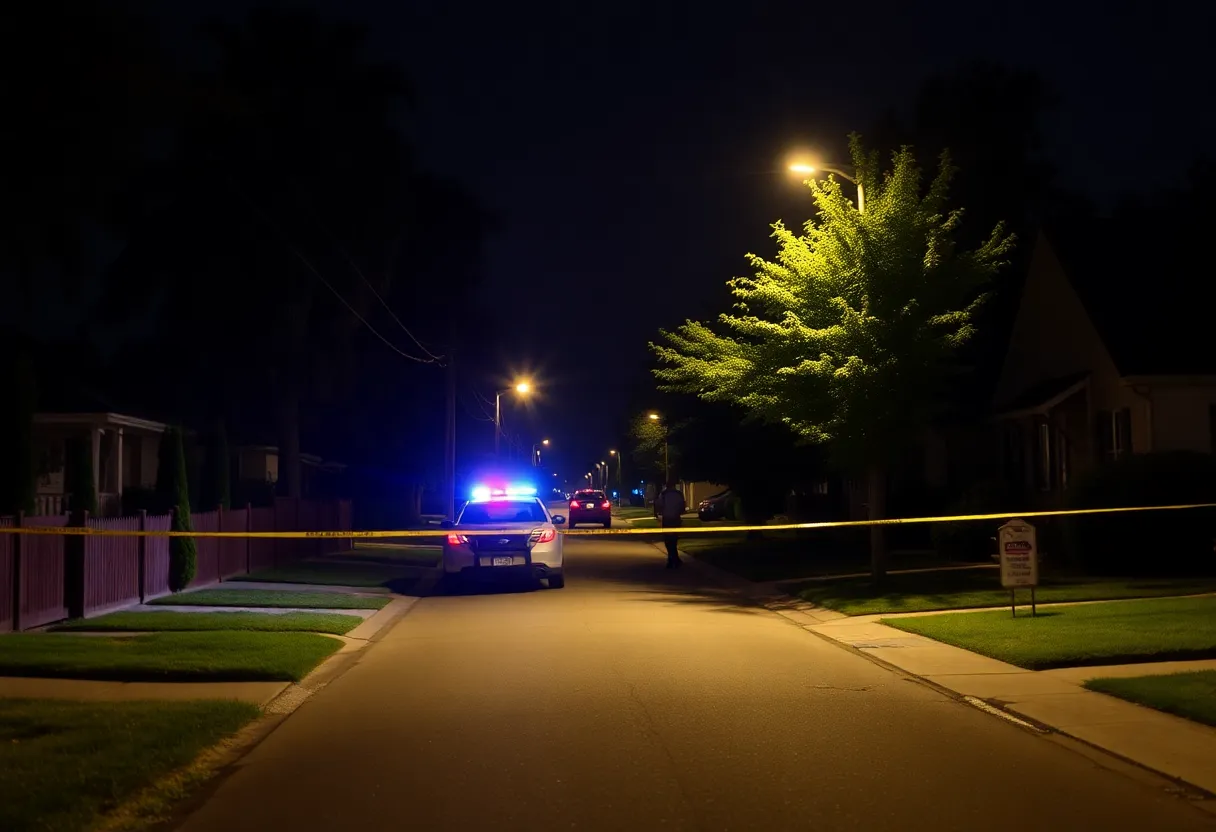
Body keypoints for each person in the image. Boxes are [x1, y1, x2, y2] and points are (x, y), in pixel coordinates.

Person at [654, 479, 686, 568]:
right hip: (676, 519)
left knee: (668, 540)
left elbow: (659, 506)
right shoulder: (679, 494)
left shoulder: (663, 494)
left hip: (667, 519)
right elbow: (682, 507)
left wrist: (659, 514)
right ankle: (674, 558)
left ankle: (671, 558)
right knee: (674, 539)